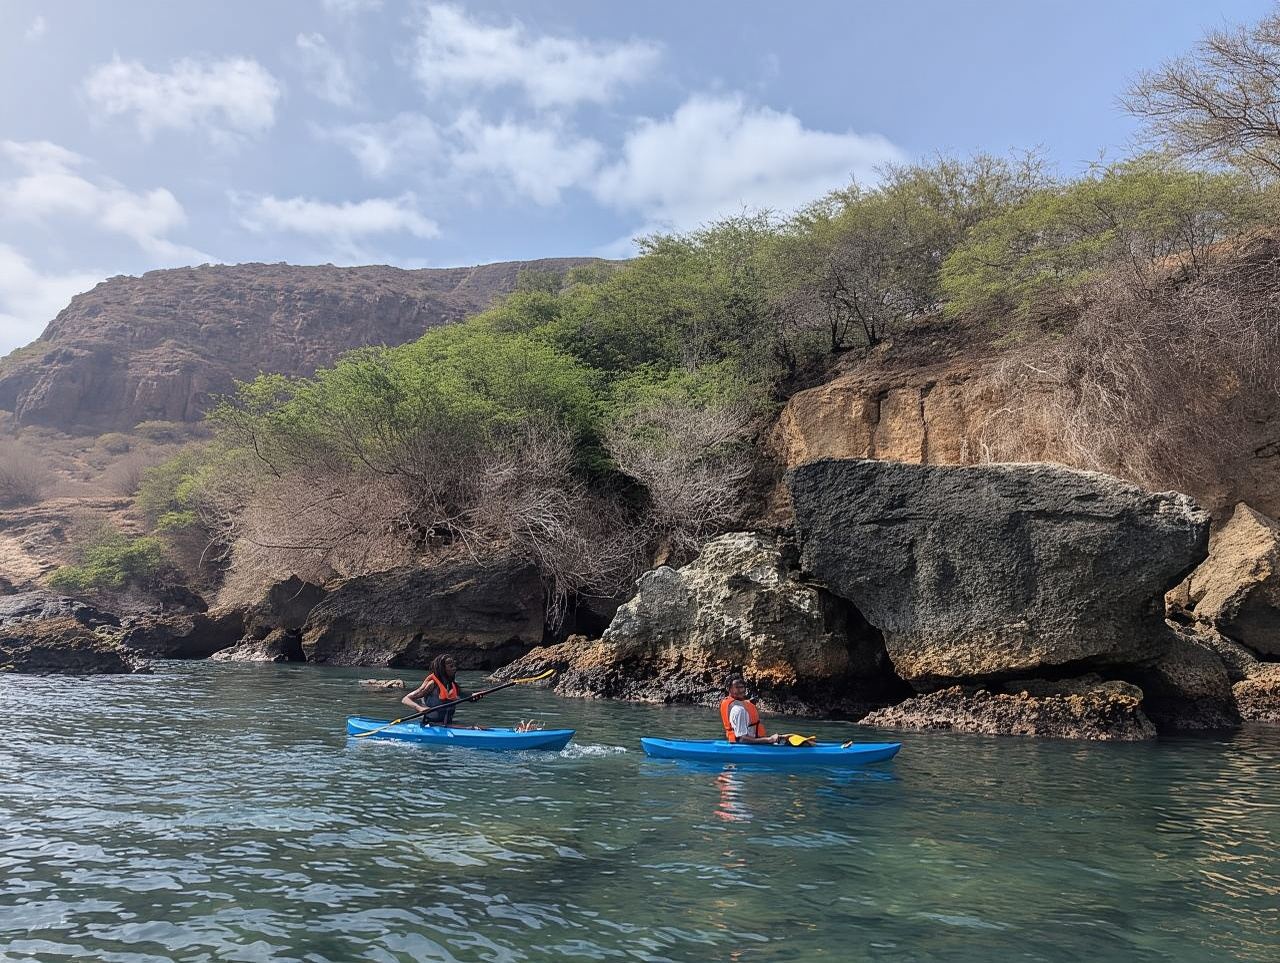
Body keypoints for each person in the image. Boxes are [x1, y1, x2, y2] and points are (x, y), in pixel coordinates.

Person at [402, 655, 483, 728]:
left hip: (447, 724)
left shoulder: (452, 685)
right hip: (431, 725)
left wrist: (474, 696)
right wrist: (419, 708)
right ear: (442, 668)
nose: (454, 668)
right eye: (451, 666)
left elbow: (465, 696)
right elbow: (406, 699)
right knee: (474, 728)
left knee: (480, 728)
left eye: (454, 666)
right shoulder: (432, 684)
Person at [719, 677, 786, 745]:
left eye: (742, 687)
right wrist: (769, 740)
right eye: (737, 687)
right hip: (744, 747)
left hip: (753, 743)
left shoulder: (741, 704)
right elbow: (742, 739)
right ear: (728, 689)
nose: (741, 690)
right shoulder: (738, 710)